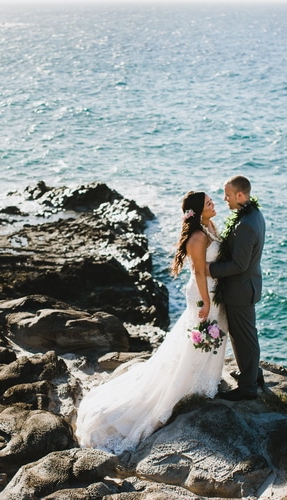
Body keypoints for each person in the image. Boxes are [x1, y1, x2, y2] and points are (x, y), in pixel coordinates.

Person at [75, 191, 228, 454]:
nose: (213, 203)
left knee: (209, 338)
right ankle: (188, 386)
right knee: (199, 338)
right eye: (208, 203)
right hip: (205, 294)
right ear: (198, 210)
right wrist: (205, 301)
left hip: (214, 291)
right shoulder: (197, 237)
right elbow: (199, 271)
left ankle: (205, 380)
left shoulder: (209, 227)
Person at [209, 175, 266, 401]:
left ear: (240, 195)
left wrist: (210, 269)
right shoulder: (254, 215)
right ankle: (252, 375)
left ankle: (248, 388)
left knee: (244, 339)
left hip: (241, 290)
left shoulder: (245, 225)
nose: (225, 199)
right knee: (244, 336)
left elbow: (239, 265)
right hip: (247, 287)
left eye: (228, 195)